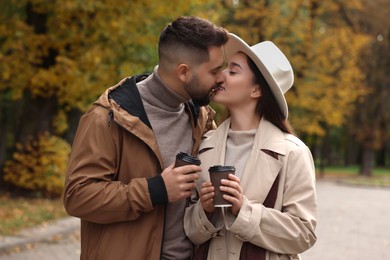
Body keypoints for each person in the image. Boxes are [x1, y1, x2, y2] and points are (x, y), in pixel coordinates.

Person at [63, 16, 229, 260]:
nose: (221, 78)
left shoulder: (201, 118)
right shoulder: (107, 118)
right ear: (183, 72)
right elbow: (78, 197)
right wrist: (156, 189)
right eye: (214, 70)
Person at [184, 33, 317, 260]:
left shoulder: (293, 152)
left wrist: (243, 210)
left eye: (233, 71)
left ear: (256, 90)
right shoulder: (203, 145)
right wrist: (203, 212)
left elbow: (304, 233)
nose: (220, 76)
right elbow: (189, 232)